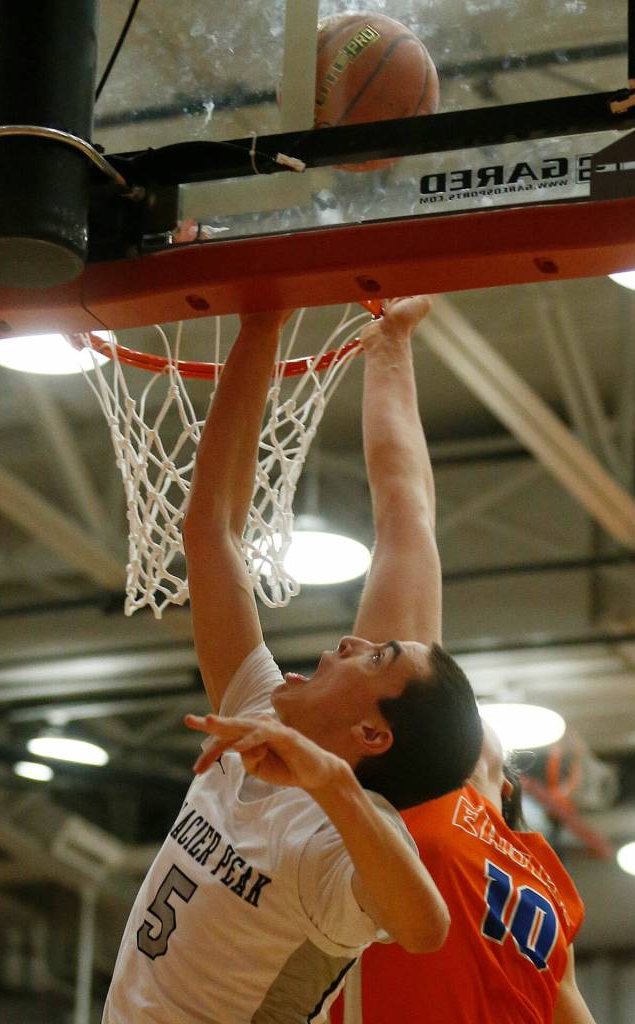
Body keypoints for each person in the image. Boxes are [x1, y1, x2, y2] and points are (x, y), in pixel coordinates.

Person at [102, 296, 483, 1024]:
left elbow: (424, 928)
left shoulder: (337, 842)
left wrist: (326, 778)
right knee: (408, 533)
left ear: (371, 734)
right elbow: (211, 528)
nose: (350, 642)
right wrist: (263, 318)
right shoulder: (260, 708)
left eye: (377, 657)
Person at [334, 722, 597, 1024]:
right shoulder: (399, 806)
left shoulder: (546, 874)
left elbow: (567, 1000)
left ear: (506, 786)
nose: (461, 716)